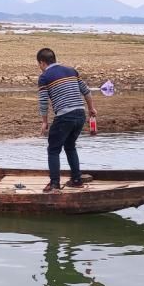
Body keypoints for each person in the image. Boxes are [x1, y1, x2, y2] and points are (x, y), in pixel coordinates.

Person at [36, 47, 95, 193]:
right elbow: (86, 91)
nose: (40, 68)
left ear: (42, 63)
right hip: (80, 114)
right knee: (70, 146)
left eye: (39, 64)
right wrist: (91, 109)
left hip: (64, 116)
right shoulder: (71, 71)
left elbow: (43, 102)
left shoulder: (44, 77)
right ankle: (76, 180)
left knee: (53, 149)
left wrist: (44, 121)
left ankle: (54, 184)